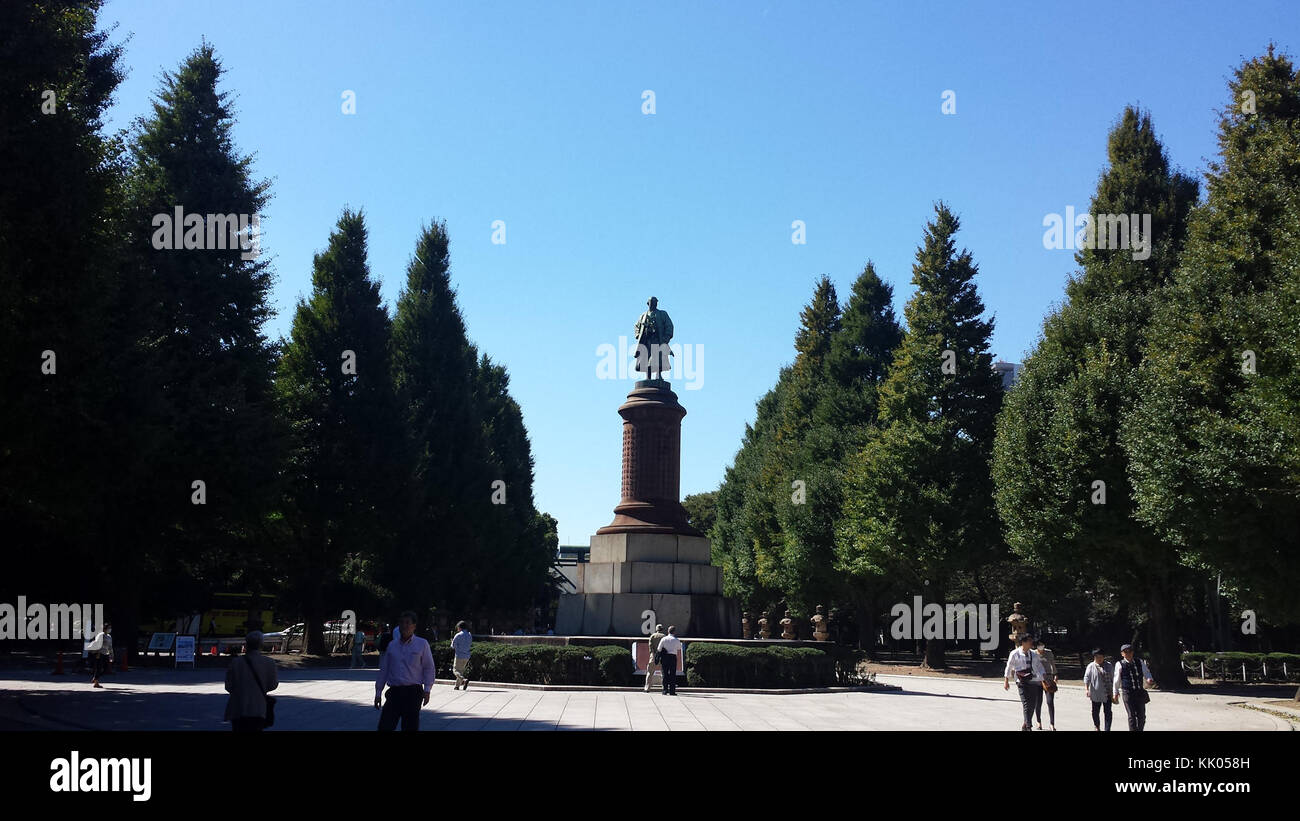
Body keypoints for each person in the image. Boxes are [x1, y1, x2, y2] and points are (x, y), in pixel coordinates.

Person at [374, 611, 436, 731]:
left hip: (413, 693)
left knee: (410, 727)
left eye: (408, 623)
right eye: (402, 623)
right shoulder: (392, 646)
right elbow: (384, 670)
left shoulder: (422, 644)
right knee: (385, 726)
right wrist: (378, 692)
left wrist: (427, 690)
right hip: (394, 693)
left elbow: (429, 667)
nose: (404, 626)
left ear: (414, 626)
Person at [224, 631, 278, 732]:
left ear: (246, 644)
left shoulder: (236, 662)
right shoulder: (269, 663)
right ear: (261, 645)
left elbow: (228, 686)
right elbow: (273, 685)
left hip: (237, 706)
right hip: (258, 707)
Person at [1003, 633, 1046, 730]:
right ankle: (1028, 726)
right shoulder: (1015, 653)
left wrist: (1044, 677)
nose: (1031, 643)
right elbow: (1009, 667)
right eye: (1029, 641)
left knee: (1033, 703)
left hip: (1034, 680)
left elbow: (1040, 666)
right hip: (1021, 681)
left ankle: (1025, 722)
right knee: (1026, 703)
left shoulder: (1033, 653)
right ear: (1023, 642)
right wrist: (1006, 680)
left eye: (1031, 641)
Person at [1112, 643, 1154, 732]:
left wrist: (1149, 679)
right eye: (1125, 652)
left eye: (1130, 651)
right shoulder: (1119, 664)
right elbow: (1116, 679)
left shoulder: (1139, 662)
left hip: (1139, 692)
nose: (1128, 653)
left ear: (1133, 652)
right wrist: (1115, 693)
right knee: (1131, 716)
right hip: (1127, 693)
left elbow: (1146, 672)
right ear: (1122, 654)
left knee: (1142, 716)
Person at [1084, 648, 1113, 731]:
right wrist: (1087, 689)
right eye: (1097, 657)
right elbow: (1086, 678)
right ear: (1094, 657)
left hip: (1107, 693)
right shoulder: (1091, 666)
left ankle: (1107, 729)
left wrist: (1115, 691)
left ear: (1104, 657)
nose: (1099, 658)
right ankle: (1097, 726)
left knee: (1108, 712)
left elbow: (1113, 678)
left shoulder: (1109, 665)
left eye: (1101, 656)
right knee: (1095, 712)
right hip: (1095, 693)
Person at [1034, 638, 1058, 730]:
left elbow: (1053, 664)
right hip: (1038, 679)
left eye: (1042, 644)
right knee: (1038, 702)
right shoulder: (1033, 653)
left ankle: (1052, 724)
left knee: (1050, 702)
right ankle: (1038, 722)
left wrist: (1055, 675)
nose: (1041, 646)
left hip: (1048, 678)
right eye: (1039, 645)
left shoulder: (1049, 652)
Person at [656, 626, 683, 695]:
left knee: (665, 673)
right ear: (674, 632)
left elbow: (659, 649)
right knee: (672, 674)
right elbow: (679, 648)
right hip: (673, 657)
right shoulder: (676, 640)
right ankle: (672, 691)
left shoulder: (664, 639)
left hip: (665, 657)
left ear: (668, 631)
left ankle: (665, 690)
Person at [87, 622, 113, 689]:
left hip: (105, 654)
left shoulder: (109, 636)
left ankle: (95, 678)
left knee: (106, 668)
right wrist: (98, 653)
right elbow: (97, 644)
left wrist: (111, 655)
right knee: (99, 668)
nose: (110, 629)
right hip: (99, 653)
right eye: (108, 628)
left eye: (110, 628)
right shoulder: (101, 635)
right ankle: (96, 682)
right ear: (104, 629)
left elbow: (110, 647)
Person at [451, 621, 473, 690]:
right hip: (467, 655)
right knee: (461, 671)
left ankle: (463, 680)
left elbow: (453, 646)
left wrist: (452, 641)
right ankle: (457, 686)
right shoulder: (469, 634)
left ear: (460, 627)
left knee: (455, 670)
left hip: (459, 655)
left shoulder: (458, 635)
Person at [645, 624, 666, 693]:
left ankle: (647, 688)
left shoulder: (652, 636)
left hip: (653, 656)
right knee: (663, 673)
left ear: (656, 629)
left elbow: (650, 647)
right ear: (662, 629)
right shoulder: (664, 636)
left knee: (649, 673)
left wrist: (652, 654)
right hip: (662, 656)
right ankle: (664, 688)